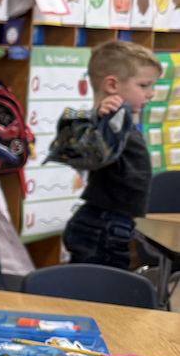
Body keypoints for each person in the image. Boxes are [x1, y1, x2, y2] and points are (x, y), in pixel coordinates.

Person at [63, 39, 162, 268]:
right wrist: (99, 118)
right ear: (112, 85)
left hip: (110, 222)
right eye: (144, 85)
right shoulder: (108, 122)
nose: (151, 94)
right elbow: (86, 152)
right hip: (104, 224)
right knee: (100, 295)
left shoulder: (120, 120)